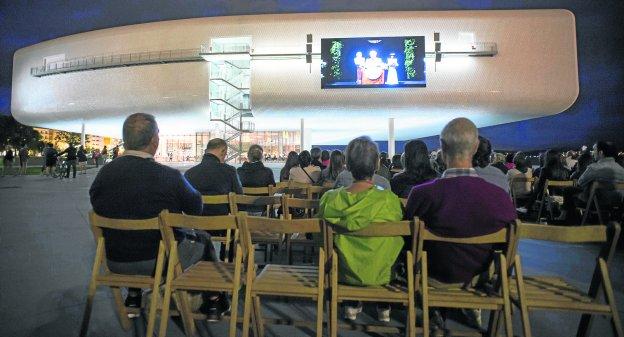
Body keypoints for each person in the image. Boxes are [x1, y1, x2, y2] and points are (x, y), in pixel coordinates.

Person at [90, 113, 228, 320]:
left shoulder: (104, 174)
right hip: (160, 259)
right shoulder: (169, 176)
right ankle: (214, 301)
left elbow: (98, 204)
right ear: (154, 140)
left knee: (131, 231)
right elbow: (195, 208)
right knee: (203, 239)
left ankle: (134, 295)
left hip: (115, 260)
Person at [405, 118, 516, 329]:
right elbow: (506, 245)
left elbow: (407, 240)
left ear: (442, 147)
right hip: (477, 278)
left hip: (430, 277)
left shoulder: (421, 194)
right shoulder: (499, 197)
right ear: (475, 147)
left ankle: (434, 310)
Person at [319, 136, 403, 322]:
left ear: (347, 165)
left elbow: (321, 240)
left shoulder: (330, 199)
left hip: (343, 273)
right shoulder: (390, 200)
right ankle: (383, 305)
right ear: (377, 165)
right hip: (383, 273)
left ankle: (351, 303)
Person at [559, 141, 624, 223]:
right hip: (617, 204)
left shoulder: (594, 168)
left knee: (569, 191)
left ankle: (568, 221)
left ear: (600, 152)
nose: (593, 153)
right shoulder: (621, 170)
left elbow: (580, 183)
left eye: (594, 150)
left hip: (596, 203)